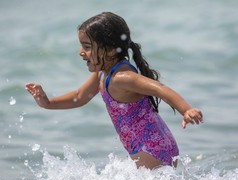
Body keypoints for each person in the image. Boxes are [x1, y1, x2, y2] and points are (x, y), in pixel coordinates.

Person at [26, 12, 203, 170]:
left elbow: (161, 89)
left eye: (87, 47)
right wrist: (47, 103)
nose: (81, 52)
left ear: (110, 50)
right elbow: (80, 97)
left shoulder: (122, 77)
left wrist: (186, 110)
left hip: (152, 149)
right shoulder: (103, 73)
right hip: (146, 148)